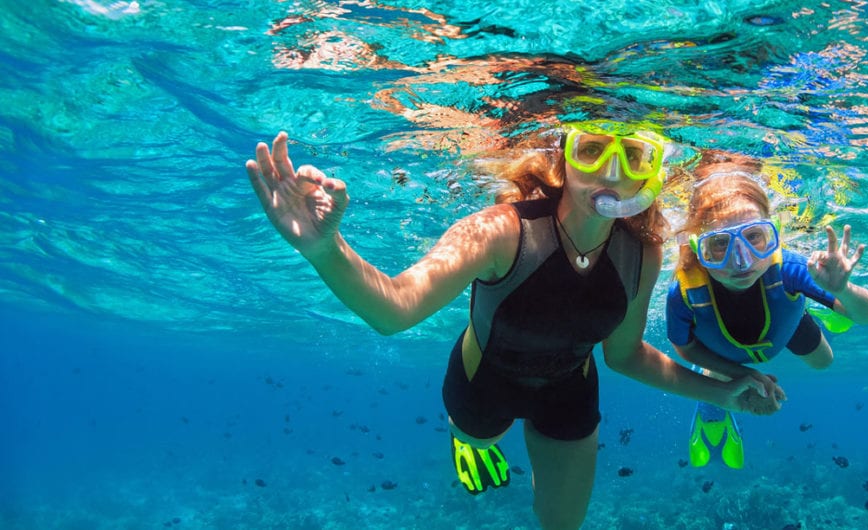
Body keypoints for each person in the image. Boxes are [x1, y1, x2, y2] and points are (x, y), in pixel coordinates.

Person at [243, 122, 775, 530]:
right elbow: (395, 308)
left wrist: (722, 394)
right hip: (483, 383)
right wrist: (323, 248)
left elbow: (625, 355)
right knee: (478, 434)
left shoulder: (644, 252)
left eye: (632, 155)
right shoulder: (500, 231)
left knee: (564, 524)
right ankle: (468, 441)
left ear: (649, 172)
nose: (611, 171)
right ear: (564, 159)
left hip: (570, 390)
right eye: (592, 149)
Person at [665, 153, 868, 469]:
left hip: (785, 322)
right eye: (720, 245)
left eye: (754, 238)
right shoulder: (684, 293)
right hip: (722, 352)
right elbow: (683, 348)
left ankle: (820, 303)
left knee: (824, 362)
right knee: (722, 376)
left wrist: (842, 290)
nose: (741, 262)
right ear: (699, 249)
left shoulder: (790, 268)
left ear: (773, 234)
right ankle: (712, 410)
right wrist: (744, 374)